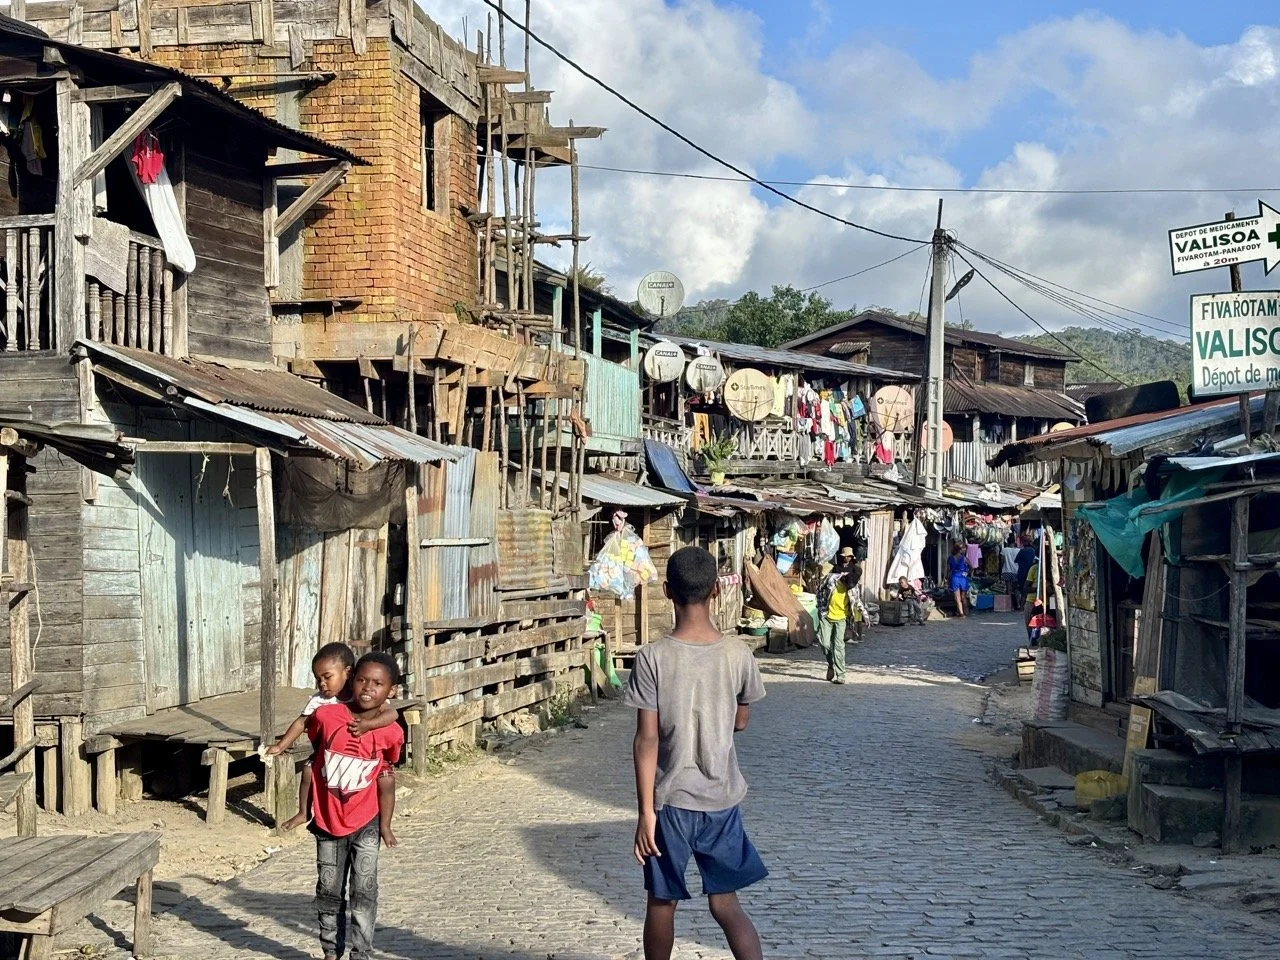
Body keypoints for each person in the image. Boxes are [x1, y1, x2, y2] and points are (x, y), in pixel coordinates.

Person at [627, 546, 768, 960]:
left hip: (669, 803)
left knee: (661, 902)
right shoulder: (739, 654)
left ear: (667, 591)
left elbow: (646, 740)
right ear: (718, 593)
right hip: (721, 800)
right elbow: (741, 721)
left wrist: (645, 812)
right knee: (726, 905)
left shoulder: (651, 658)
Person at [307, 651, 404, 960]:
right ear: (351, 679)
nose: (367, 688)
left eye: (377, 684)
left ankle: (361, 953)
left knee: (364, 891)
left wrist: (385, 824)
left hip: (367, 824)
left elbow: (388, 769)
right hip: (328, 822)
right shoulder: (327, 716)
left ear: (390, 691)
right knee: (329, 892)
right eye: (361, 680)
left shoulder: (391, 731)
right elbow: (314, 748)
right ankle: (329, 953)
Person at [266, 642, 399, 832]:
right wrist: (280, 746)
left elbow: (391, 714)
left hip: (366, 754)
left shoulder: (361, 694)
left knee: (386, 779)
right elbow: (301, 722)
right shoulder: (320, 700)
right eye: (318, 679)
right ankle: (304, 812)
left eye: (327, 677)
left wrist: (368, 725)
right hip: (329, 753)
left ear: (347, 672)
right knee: (308, 771)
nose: (322, 683)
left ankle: (385, 825)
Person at [815, 563, 851, 684]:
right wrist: (820, 608)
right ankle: (831, 663)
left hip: (841, 618)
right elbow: (819, 592)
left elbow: (857, 601)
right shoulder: (831, 583)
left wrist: (865, 615)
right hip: (827, 616)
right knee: (824, 643)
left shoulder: (851, 587)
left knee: (838, 646)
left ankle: (841, 675)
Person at [1014, 534, 1037, 611]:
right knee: (1027, 590)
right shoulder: (1034, 551)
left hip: (1023, 573)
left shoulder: (1023, 551)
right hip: (1031, 572)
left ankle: (1021, 607)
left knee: (1023, 590)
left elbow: (1016, 560)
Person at [947, 543, 971, 617]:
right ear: (960, 550)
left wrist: (947, 578)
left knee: (957, 598)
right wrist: (967, 573)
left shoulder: (950, 558)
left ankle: (961, 613)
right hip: (963, 578)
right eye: (963, 548)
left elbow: (948, 570)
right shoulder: (964, 558)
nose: (964, 550)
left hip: (954, 578)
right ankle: (966, 612)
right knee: (964, 597)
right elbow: (972, 567)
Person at [1000, 538, 1022, 608]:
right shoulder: (1019, 550)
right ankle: (1018, 604)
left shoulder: (1004, 550)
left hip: (1006, 571)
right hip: (1016, 571)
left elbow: (1002, 561)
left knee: (1008, 589)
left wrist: (1000, 569)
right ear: (1014, 542)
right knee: (1016, 589)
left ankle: (1010, 605)